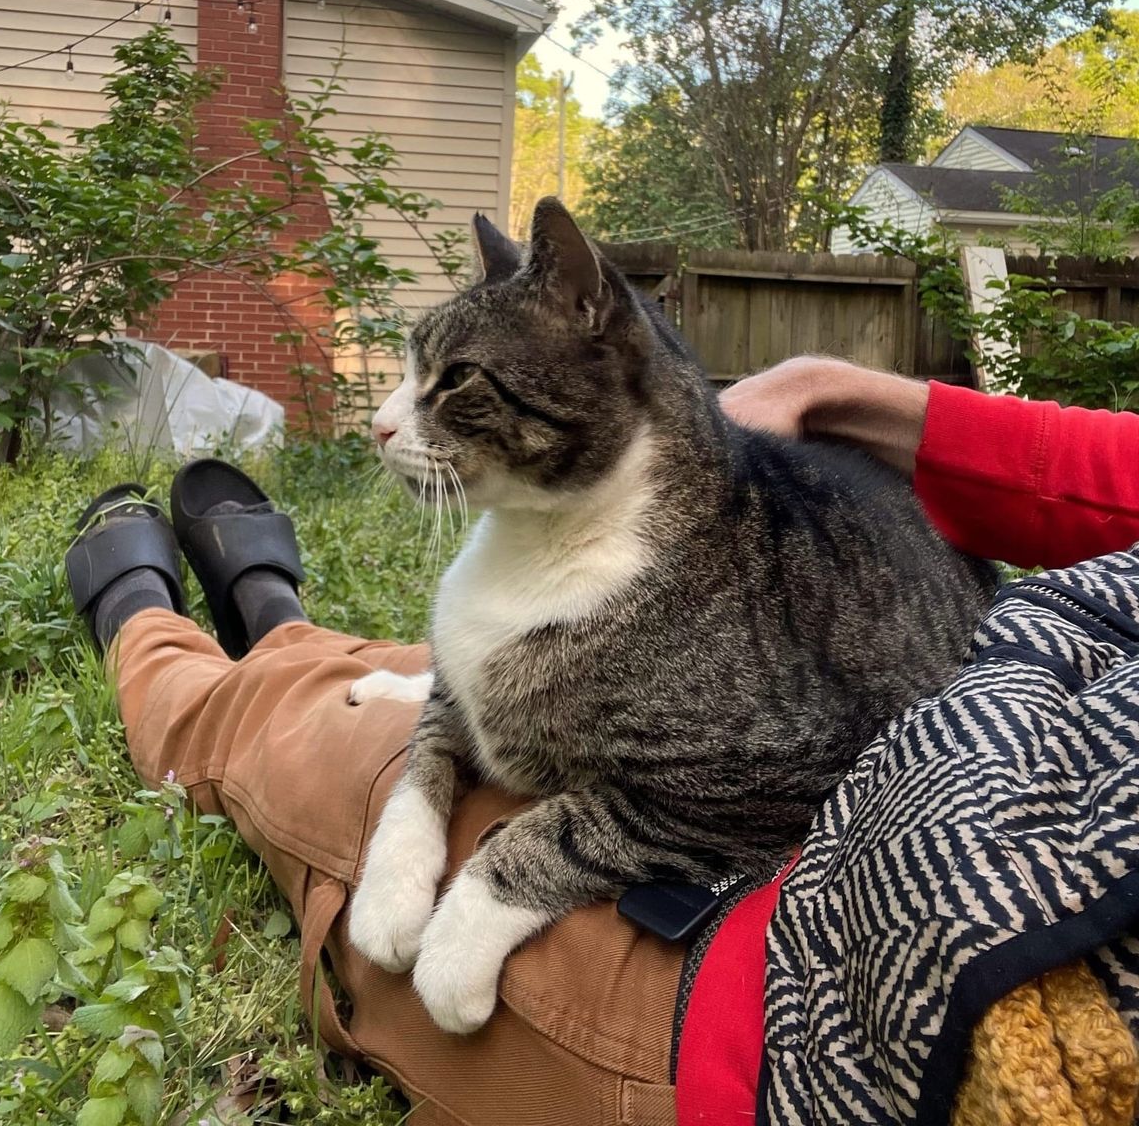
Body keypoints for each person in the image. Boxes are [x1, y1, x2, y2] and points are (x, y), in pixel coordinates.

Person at [63, 359, 1139, 1126]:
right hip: (975, 714)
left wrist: (516, 868)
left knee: (297, 729)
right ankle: (279, 618)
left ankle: (151, 628)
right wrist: (845, 390)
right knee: (463, 672)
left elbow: (760, 780)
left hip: (785, 978)